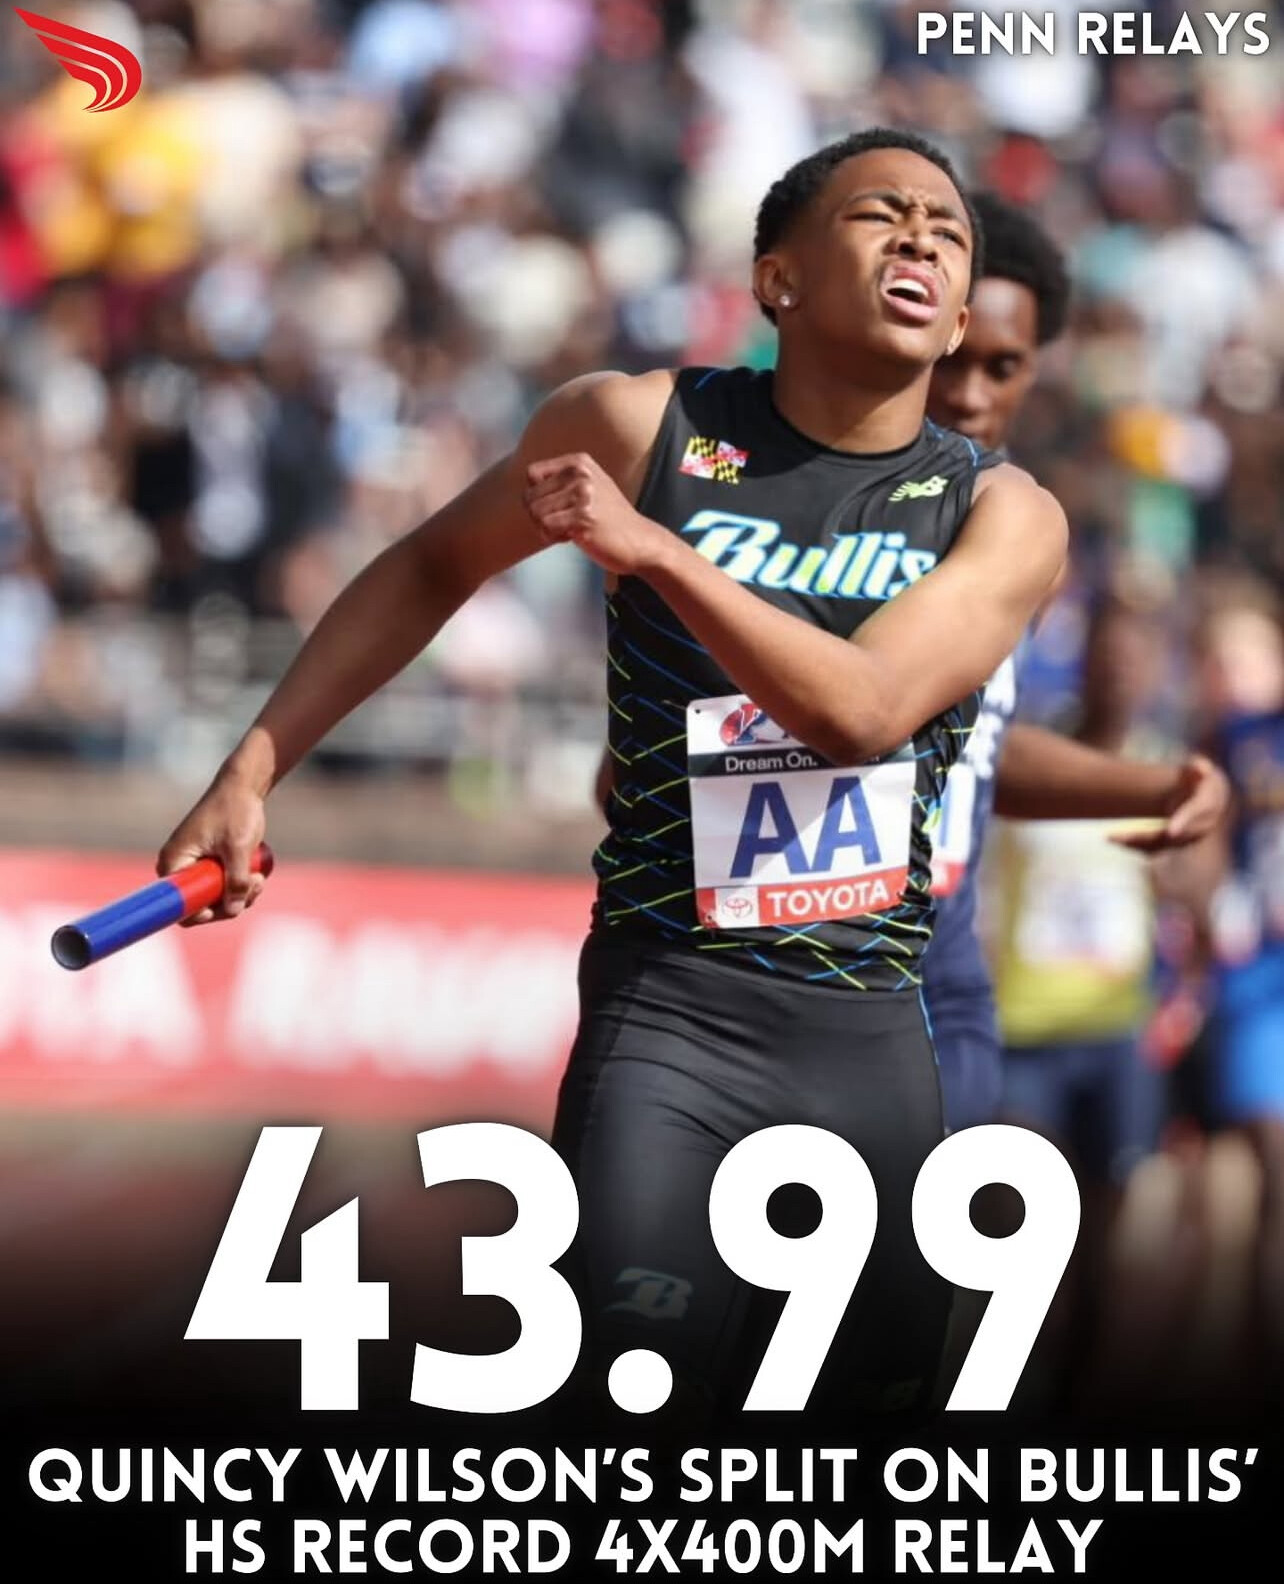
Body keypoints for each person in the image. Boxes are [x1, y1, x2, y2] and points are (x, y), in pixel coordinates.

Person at [158, 129, 1070, 1420]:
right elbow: (431, 564)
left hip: (872, 1042)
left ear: (961, 313)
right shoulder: (643, 428)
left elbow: (860, 714)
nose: (923, 234)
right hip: (673, 1027)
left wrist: (663, 557)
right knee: (638, 1413)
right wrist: (254, 765)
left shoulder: (1003, 513)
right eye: (881, 213)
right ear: (778, 278)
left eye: (949, 230)